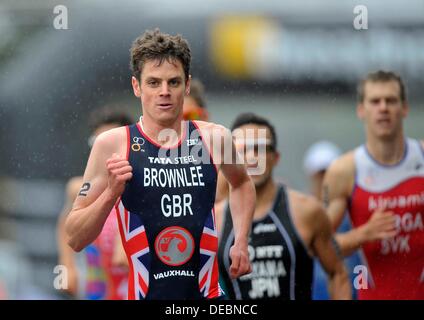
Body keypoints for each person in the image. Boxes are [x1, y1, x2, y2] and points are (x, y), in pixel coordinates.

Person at [65, 29, 255, 300]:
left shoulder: (214, 138)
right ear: (136, 86)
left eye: (173, 82)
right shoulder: (114, 144)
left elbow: (242, 183)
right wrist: (110, 194)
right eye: (153, 83)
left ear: (187, 85)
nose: (164, 92)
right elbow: (74, 238)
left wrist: (242, 241)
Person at [217, 113, 351, 300]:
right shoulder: (215, 218)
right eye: (243, 149)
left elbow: (338, 274)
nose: (252, 158)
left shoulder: (306, 211)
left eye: (260, 149)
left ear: (276, 157)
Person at [323, 70, 424, 299]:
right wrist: (363, 234)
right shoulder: (345, 170)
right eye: (375, 101)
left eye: (391, 100)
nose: (383, 108)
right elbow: (320, 246)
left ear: (405, 108)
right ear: (361, 110)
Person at [57, 107, 133, 299]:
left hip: (131, 289)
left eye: (112, 143)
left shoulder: (142, 187)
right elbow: (65, 229)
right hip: (97, 290)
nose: (106, 152)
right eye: (99, 143)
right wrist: (66, 269)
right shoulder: (79, 189)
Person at [303, 140, 361, 300]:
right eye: (320, 175)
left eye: (329, 174)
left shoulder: (354, 217)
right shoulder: (300, 215)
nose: (325, 181)